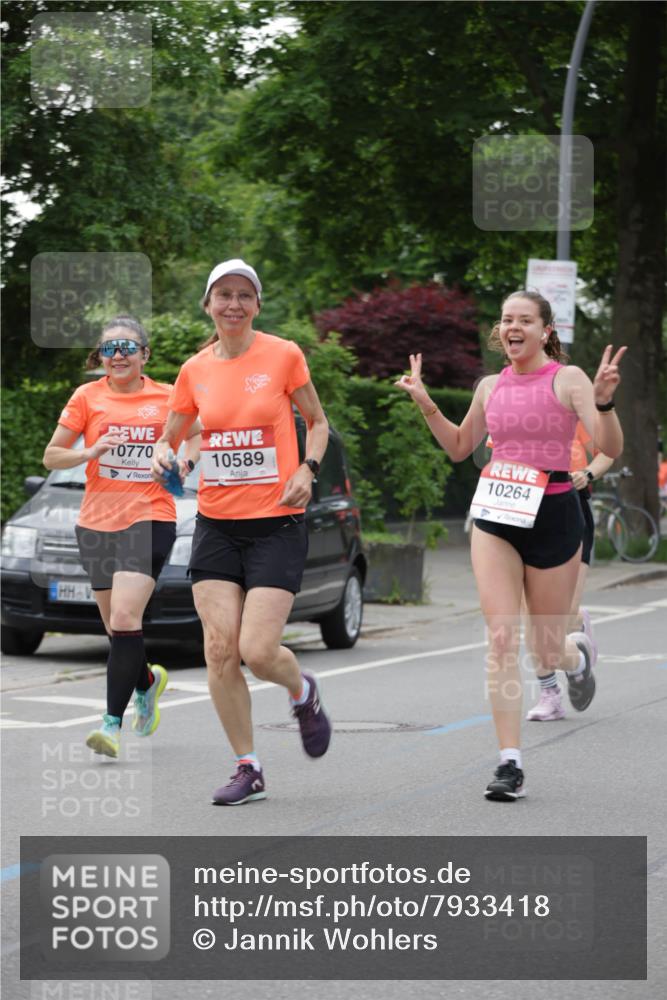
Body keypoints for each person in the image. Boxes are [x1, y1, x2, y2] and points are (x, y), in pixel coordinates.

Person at [396, 290, 625, 801]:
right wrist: (426, 401)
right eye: (506, 320)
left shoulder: (567, 379)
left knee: (545, 649)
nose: (513, 327)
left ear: (546, 330)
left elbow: (610, 446)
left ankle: (577, 656)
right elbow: (460, 447)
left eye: (525, 320)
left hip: (555, 512)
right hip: (497, 514)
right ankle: (510, 762)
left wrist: (605, 401)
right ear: (499, 332)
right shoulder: (488, 385)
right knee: (501, 638)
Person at [151, 259, 331, 805]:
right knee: (220, 651)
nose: (233, 304)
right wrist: (169, 457)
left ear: (257, 304)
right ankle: (248, 766)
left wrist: (307, 468)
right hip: (216, 525)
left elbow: (318, 423)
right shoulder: (193, 371)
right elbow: (173, 436)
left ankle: (302, 692)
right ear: (207, 304)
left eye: (243, 296)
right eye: (222, 295)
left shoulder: (283, 355)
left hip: (276, 524)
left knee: (256, 649)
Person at [43, 316, 201, 758]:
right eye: (110, 348)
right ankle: (147, 683)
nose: (118, 355)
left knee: (127, 620)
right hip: (95, 522)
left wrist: (183, 466)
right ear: (101, 356)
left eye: (127, 347)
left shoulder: (168, 396)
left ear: (144, 354)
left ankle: (110, 725)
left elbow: (196, 436)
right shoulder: (86, 397)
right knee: (117, 630)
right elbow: (51, 456)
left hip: (150, 515)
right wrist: (88, 452)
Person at [525, 420, 614, 722]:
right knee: (533, 618)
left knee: (559, 621)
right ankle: (549, 694)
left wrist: (587, 474)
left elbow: (608, 452)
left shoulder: (573, 411)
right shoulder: (513, 407)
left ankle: (577, 636)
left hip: (569, 506)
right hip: (524, 509)